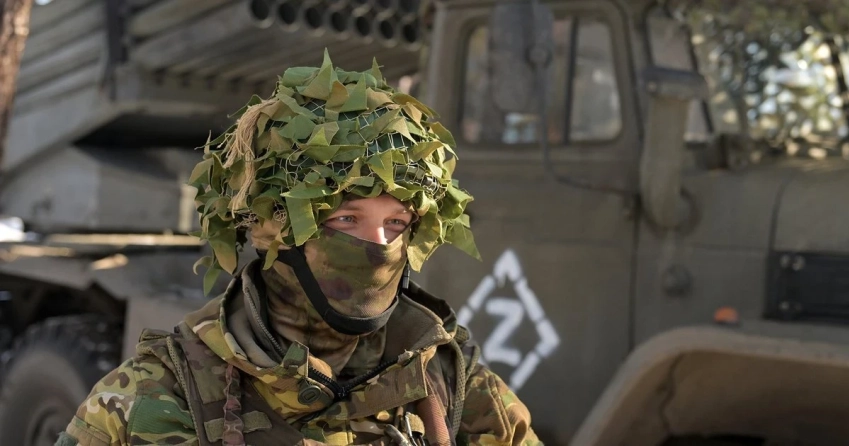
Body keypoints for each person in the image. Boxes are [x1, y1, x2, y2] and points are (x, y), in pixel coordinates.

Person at [57, 52, 540, 446]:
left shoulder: (454, 388)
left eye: (396, 224)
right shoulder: (151, 399)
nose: (378, 247)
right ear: (272, 232)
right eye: (345, 220)